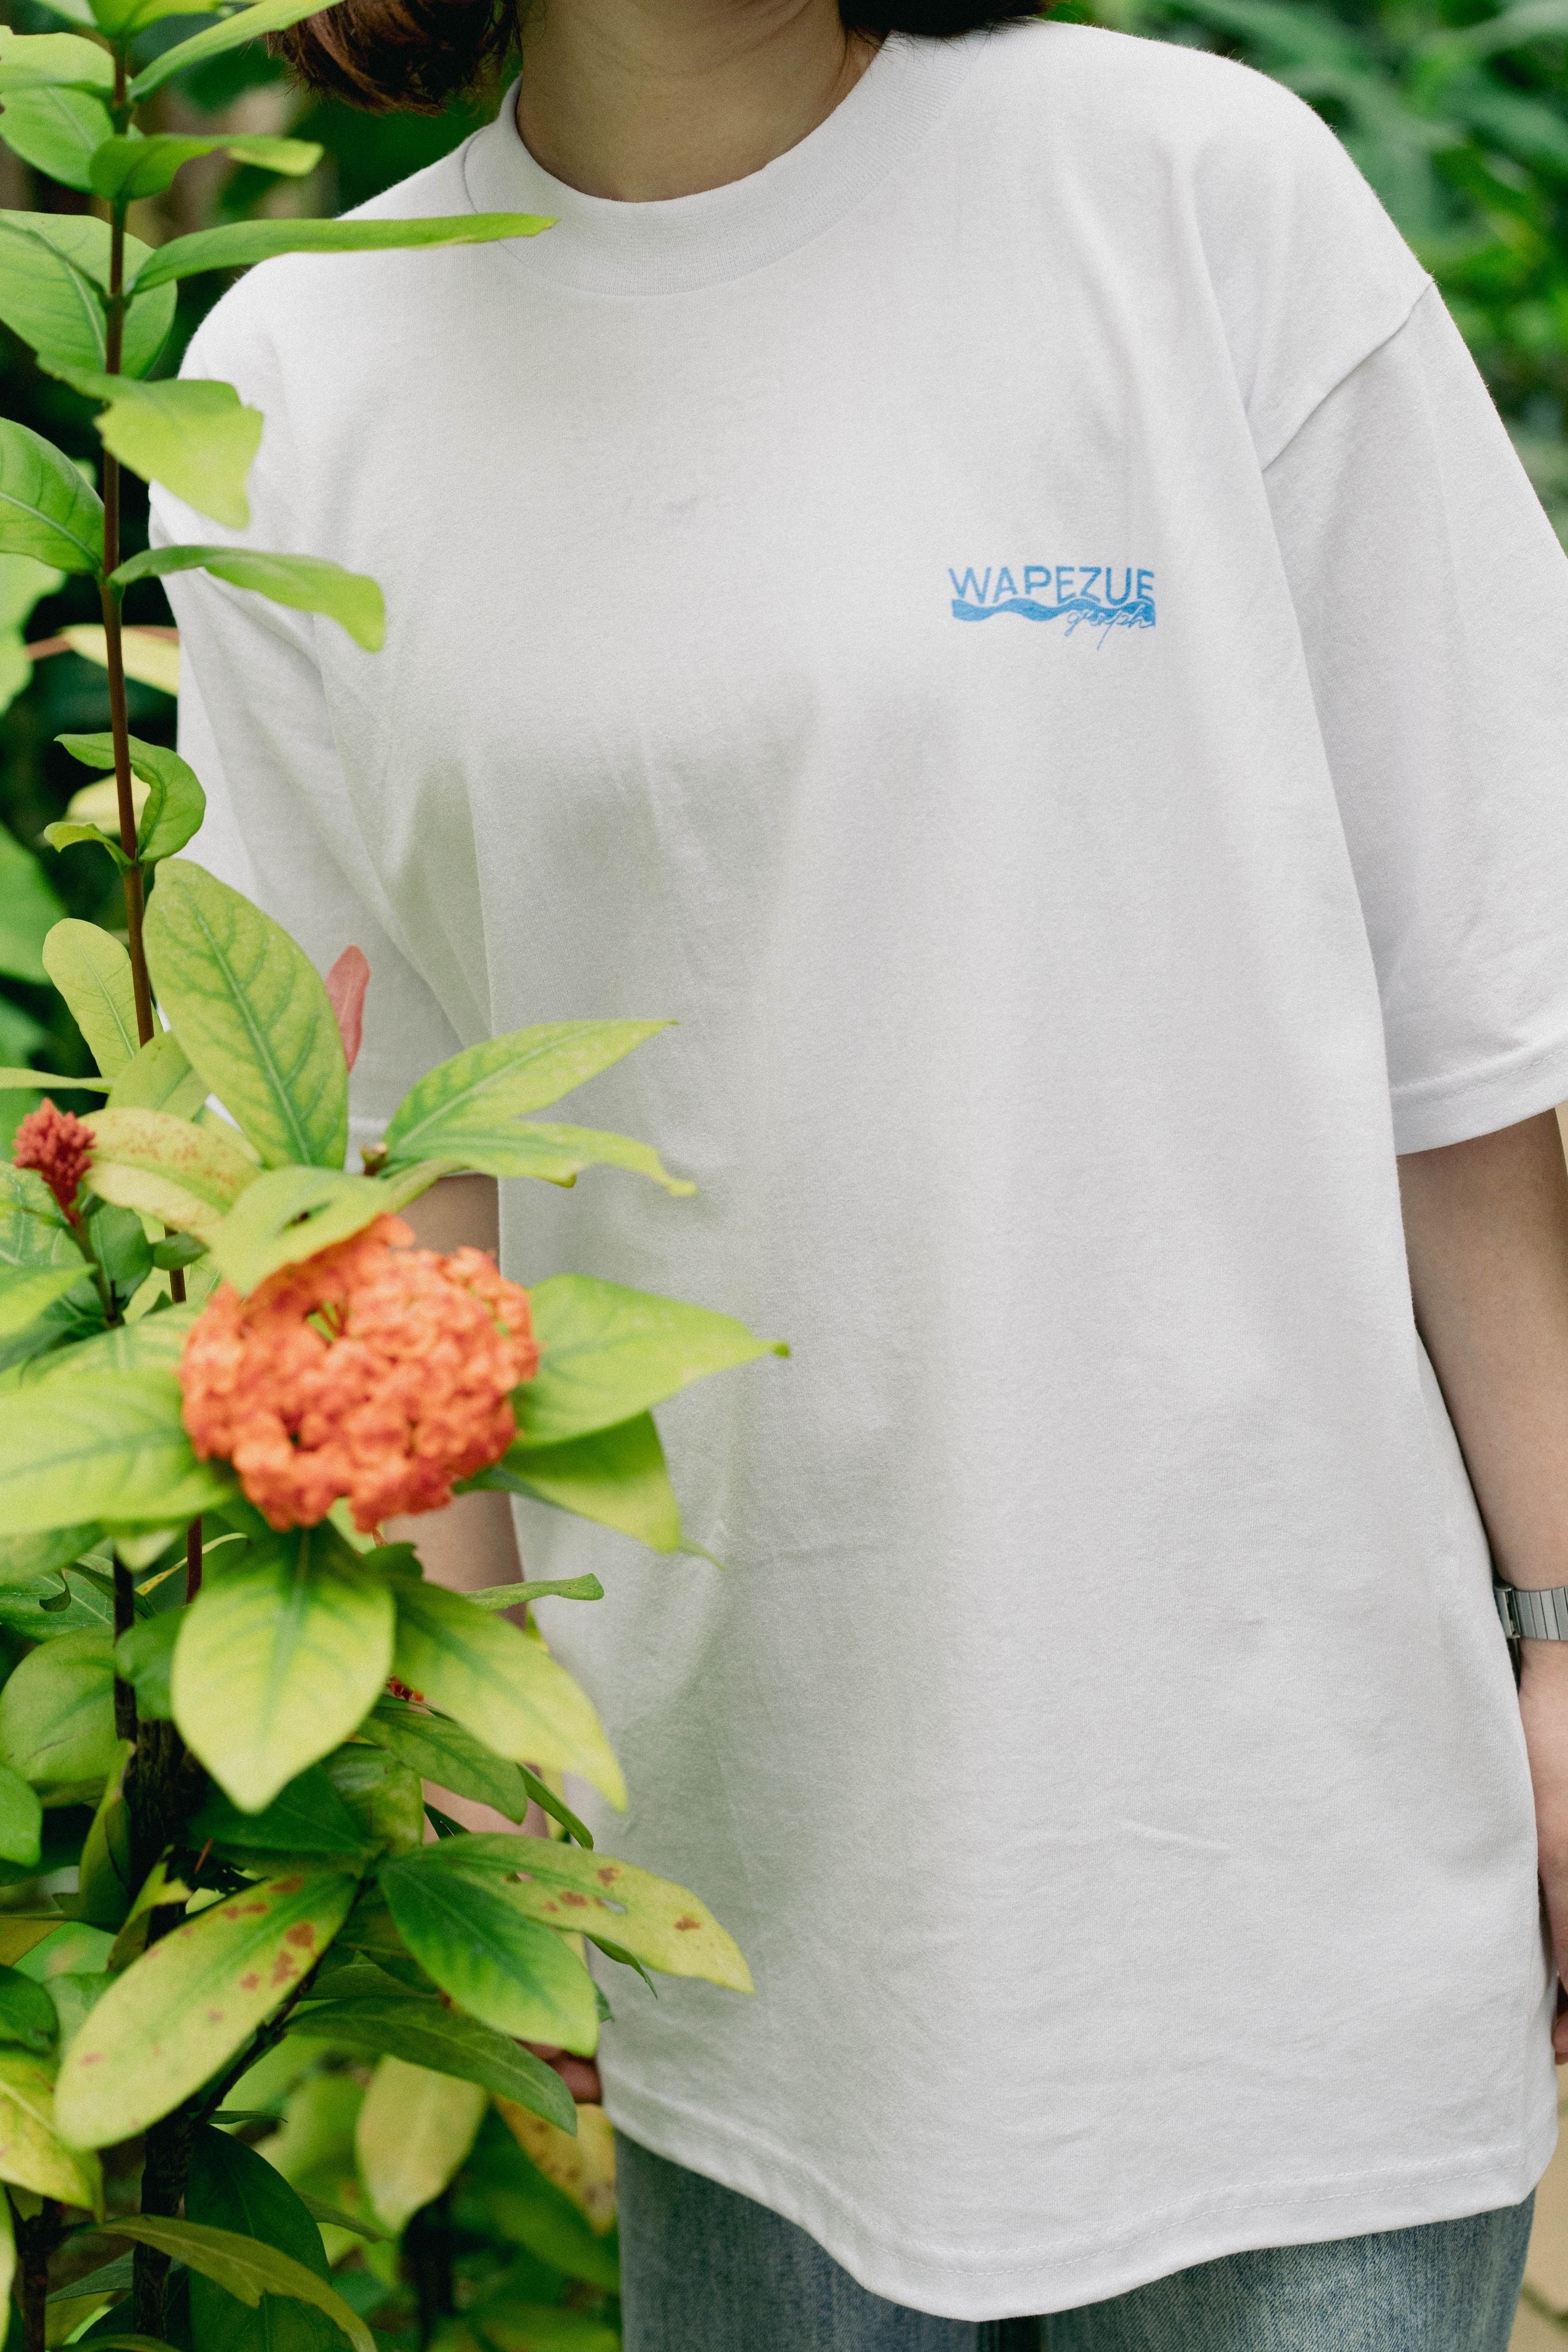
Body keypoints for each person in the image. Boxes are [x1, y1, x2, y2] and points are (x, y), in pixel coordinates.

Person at [149, 0, 1568, 2334]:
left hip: (1291, 1888)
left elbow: (1474, 1050)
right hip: (743, 1914)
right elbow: (375, 1169)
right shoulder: (304, 380)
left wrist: (1563, 1637)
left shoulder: (1185, 194)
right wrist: (475, 1744)